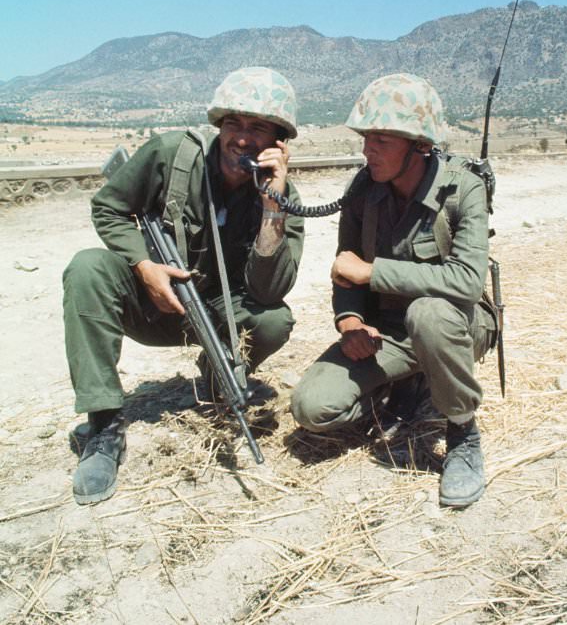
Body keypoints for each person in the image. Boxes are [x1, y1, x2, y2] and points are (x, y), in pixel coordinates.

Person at [64, 67, 304, 505]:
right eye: (234, 124)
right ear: (219, 125)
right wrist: (143, 266)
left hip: (215, 317)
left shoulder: (284, 197)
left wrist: (273, 208)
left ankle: (217, 381)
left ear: (278, 142)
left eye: (258, 128)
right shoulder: (171, 155)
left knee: (274, 320)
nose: (243, 138)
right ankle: (102, 427)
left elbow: (270, 293)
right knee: (88, 269)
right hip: (153, 302)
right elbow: (108, 208)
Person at [291, 73, 496, 509]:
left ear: (419, 144)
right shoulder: (364, 189)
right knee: (312, 408)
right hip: (390, 333)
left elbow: (467, 281)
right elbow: (346, 268)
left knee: (428, 315)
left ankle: (461, 432)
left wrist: (373, 273)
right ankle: (406, 384)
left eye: (382, 139)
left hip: (457, 325)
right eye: (367, 137)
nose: (368, 150)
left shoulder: (464, 189)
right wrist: (348, 320)